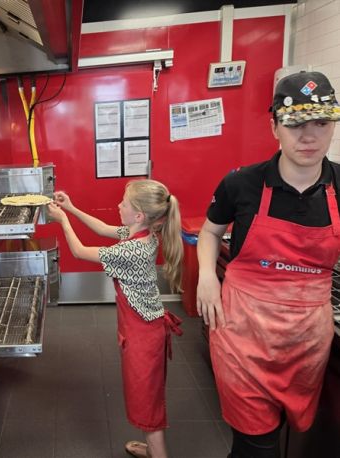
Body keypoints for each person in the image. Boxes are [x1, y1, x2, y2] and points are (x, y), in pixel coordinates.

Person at [196, 71, 340, 458]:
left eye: (321, 123)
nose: (308, 136)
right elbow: (210, 232)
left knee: (276, 439)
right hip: (242, 334)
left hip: (306, 341)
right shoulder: (241, 183)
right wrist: (207, 276)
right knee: (257, 445)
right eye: (295, 124)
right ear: (274, 126)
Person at [48, 179, 183, 458]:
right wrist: (70, 207)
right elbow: (100, 228)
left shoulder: (130, 250)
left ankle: (158, 453)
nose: (119, 205)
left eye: (124, 203)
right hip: (147, 329)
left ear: (139, 215)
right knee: (147, 396)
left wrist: (62, 220)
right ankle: (152, 448)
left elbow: (79, 251)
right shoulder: (142, 233)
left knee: (147, 404)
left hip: (144, 337)